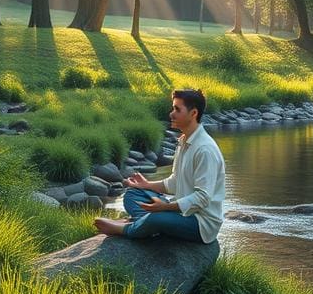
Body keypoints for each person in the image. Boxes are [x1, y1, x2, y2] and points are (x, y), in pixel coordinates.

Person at [93, 89, 225, 244]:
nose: (171, 114)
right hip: (181, 213)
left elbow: (203, 198)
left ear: (193, 113)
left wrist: (166, 208)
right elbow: (175, 182)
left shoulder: (204, 150)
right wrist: (147, 185)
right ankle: (144, 222)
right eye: (173, 108)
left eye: (177, 109)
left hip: (200, 223)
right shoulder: (184, 142)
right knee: (133, 194)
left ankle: (127, 228)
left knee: (157, 218)